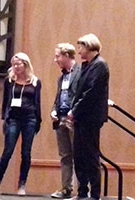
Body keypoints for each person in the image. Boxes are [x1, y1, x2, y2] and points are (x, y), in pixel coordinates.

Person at [0, 52, 42, 196]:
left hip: (30, 119)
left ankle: (22, 184)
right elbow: (5, 101)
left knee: (26, 153)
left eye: (18, 64)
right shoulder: (9, 81)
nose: (16, 67)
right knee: (8, 151)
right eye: (13, 64)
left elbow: (37, 103)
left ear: (25, 64)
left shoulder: (35, 81)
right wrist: (4, 119)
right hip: (13, 118)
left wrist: (38, 120)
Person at [70, 33, 109, 200]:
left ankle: (94, 194)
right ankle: (82, 192)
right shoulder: (87, 65)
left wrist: (75, 111)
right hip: (82, 117)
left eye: (81, 47)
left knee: (91, 155)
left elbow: (90, 93)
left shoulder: (100, 65)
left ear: (90, 46)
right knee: (78, 155)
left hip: (90, 118)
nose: (79, 52)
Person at [50, 43, 81, 199]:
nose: (56, 60)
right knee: (65, 155)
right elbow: (59, 97)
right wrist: (54, 109)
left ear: (67, 56)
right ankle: (66, 188)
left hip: (74, 119)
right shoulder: (61, 77)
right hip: (61, 118)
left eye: (58, 56)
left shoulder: (80, 72)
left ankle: (83, 190)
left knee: (79, 154)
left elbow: (81, 96)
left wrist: (73, 111)